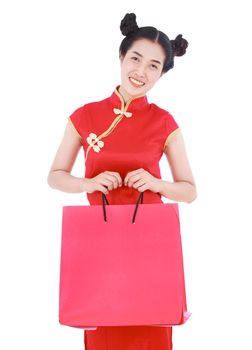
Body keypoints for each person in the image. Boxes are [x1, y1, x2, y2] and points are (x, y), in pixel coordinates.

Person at [47, 12, 197, 350]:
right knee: (103, 333)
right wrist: (89, 183)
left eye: (154, 66)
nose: (141, 72)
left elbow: (189, 191)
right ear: (121, 57)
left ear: (161, 75)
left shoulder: (164, 122)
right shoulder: (84, 116)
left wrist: (157, 184)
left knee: (152, 333)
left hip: (151, 251)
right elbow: (55, 176)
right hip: (99, 250)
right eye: (135, 59)